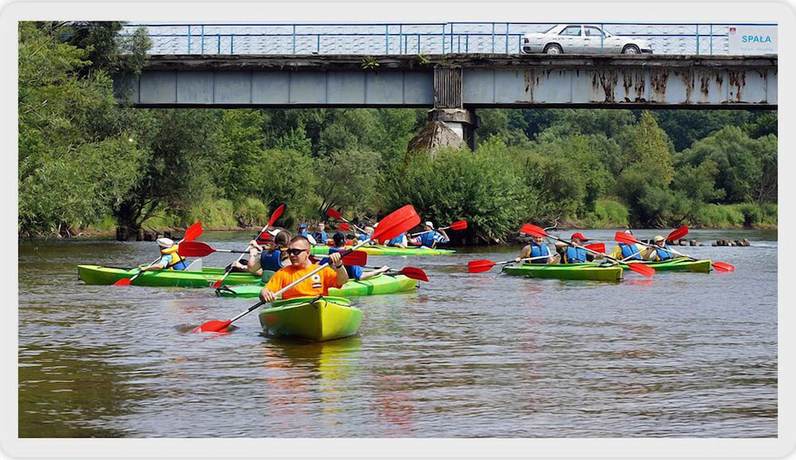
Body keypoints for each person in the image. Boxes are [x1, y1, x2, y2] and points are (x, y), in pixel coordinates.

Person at [260, 235, 348, 302]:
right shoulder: (283, 272)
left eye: (296, 251)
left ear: (308, 253)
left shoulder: (321, 270)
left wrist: (339, 265)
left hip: (318, 304)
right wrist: (264, 293)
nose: (291, 255)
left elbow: (342, 281)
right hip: (293, 308)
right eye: (290, 251)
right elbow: (265, 290)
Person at [325, 232, 390, 281]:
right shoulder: (352, 255)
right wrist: (380, 270)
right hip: (346, 280)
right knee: (359, 273)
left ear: (333, 242)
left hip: (334, 278)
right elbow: (359, 276)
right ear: (345, 241)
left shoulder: (331, 252)